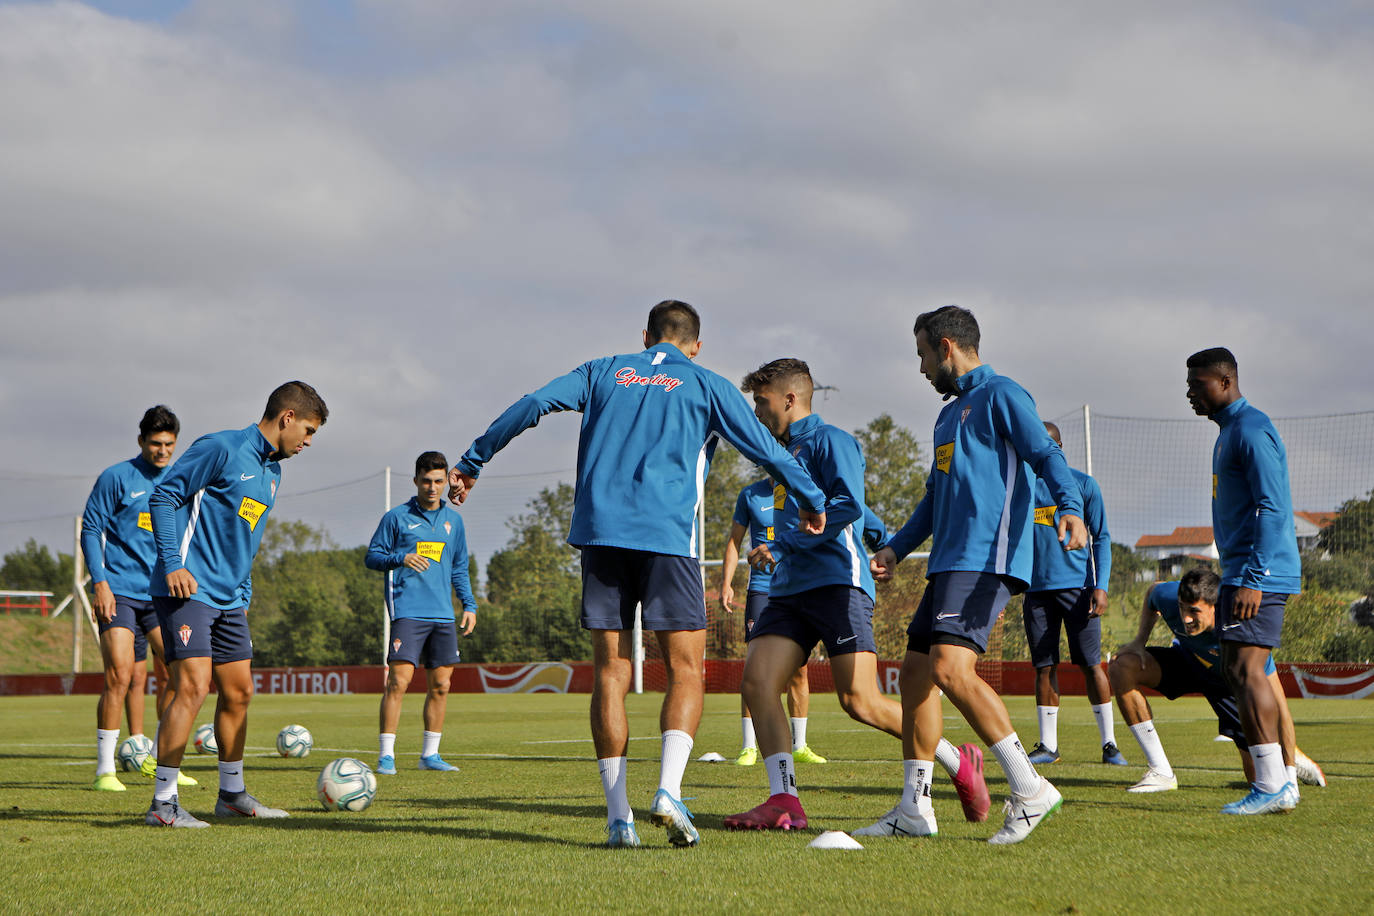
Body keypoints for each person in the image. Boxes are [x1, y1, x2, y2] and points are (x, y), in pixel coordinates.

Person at [448, 301, 828, 849]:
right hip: (668, 539)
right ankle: (669, 790)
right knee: (686, 668)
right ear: (695, 344)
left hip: (601, 535)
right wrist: (812, 496)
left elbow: (533, 404)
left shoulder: (601, 370)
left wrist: (474, 459)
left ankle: (617, 818)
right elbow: (765, 447)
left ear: (645, 335)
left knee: (610, 672)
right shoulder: (706, 383)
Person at [722, 359, 993, 832]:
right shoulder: (779, 453)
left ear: (790, 399)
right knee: (757, 684)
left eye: (762, 403)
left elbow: (847, 503)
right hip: (787, 592)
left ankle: (957, 760)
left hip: (837, 585)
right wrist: (880, 536)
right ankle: (784, 799)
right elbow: (860, 511)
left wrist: (795, 545)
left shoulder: (833, 441)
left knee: (859, 701)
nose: (758, 412)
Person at [866, 306, 1088, 845]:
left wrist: (1070, 506)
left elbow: (1046, 455)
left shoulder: (1003, 394)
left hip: (987, 557)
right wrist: (896, 548)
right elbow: (933, 498)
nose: (920, 367)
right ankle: (913, 811)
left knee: (948, 667)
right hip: (947, 563)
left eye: (921, 353)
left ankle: (1029, 787)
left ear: (946, 346)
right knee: (916, 677)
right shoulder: (947, 415)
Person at [144, 381, 327, 827]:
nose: (307, 442)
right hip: (188, 589)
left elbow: (247, 540)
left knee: (240, 691)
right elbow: (163, 497)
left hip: (230, 599)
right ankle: (163, 804)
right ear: (286, 417)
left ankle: (231, 796)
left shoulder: (273, 472)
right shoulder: (221, 448)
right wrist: (172, 564)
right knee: (191, 686)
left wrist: (242, 595)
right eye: (307, 430)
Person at [1186, 347, 1302, 814]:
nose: (1190, 393)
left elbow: (1272, 505)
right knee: (1237, 671)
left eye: (1198, 384)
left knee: (1250, 672)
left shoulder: (1251, 429)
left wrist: (1254, 577)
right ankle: (1277, 782)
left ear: (1226, 382)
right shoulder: (1229, 431)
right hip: (1241, 571)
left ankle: (1275, 785)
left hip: (1260, 573)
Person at [1110, 567, 1325, 795]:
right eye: (1182, 608)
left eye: (1194, 611)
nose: (1186, 618)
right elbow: (1153, 591)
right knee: (1122, 666)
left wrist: (1290, 777)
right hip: (1187, 660)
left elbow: (1281, 709)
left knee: (1257, 781)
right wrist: (1138, 641)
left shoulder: (1243, 633)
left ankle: (1288, 754)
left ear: (1215, 607)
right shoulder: (1170, 597)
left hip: (1228, 684)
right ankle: (1161, 771)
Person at [81, 406, 193, 791]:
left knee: (183, 675)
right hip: (121, 593)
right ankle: (104, 770)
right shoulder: (117, 477)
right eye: (156, 444)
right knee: (120, 674)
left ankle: (163, 762)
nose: (162, 452)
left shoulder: (182, 481)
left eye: (169, 445)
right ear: (141, 441)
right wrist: (100, 583)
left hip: (164, 595)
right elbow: (92, 528)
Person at [366, 451, 478, 775]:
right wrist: (401, 557)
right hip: (408, 612)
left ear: (446, 482)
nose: (432, 487)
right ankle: (386, 755)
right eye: (426, 481)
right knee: (398, 682)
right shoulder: (396, 518)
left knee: (441, 685)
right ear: (416, 480)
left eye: (439, 481)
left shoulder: (453, 521)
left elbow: (459, 568)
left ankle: (430, 755)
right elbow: (372, 557)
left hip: (443, 615)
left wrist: (469, 604)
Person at [1023, 421, 1126, 767]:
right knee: (1043, 667)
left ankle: (1109, 744)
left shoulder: (1083, 485)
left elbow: (1103, 538)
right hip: (1036, 593)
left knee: (1091, 665)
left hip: (1079, 591)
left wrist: (1102, 586)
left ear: (1059, 447)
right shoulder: (1024, 489)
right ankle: (1048, 746)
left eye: (1046, 446)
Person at [719, 477, 828, 766]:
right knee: (754, 666)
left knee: (800, 669)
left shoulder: (803, 491)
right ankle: (748, 747)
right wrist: (726, 583)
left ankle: (800, 745)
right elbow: (734, 540)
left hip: (797, 586)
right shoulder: (750, 494)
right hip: (762, 590)